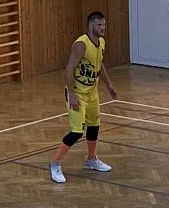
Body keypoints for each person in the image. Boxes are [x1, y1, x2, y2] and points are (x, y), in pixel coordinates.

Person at [49, 11, 118, 183]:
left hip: (92, 92)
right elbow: (68, 69)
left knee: (94, 126)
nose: (103, 28)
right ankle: (55, 163)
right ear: (91, 25)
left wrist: (108, 85)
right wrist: (72, 94)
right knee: (77, 131)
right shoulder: (81, 44)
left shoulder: (101, 42)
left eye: (104, 25)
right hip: (78, 93)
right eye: (99, 25)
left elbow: (99, 64)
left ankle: (91, 159)